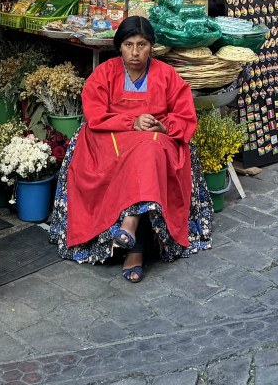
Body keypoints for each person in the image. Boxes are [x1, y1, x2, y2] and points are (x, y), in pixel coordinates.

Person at [48, 17, 213, 282]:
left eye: (142, 45)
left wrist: (164, 126)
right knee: (139, 154)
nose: (135, 52)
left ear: (151, 47)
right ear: (119, 47)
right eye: (128, 45)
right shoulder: (104, 73)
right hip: (111, 137)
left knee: (149, 151)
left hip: (156, 139)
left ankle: (131, 231)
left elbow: (185, 115)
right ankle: (131, 236)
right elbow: (95, 114)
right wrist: (131, 122)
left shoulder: (166, 75)